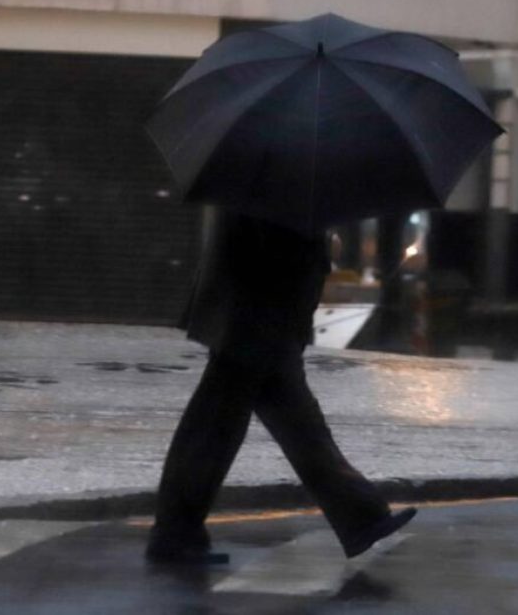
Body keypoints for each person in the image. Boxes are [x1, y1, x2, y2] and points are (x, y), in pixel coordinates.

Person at [147, 209, 416, 564]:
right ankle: (173, 535)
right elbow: (276, 251)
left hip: (257, 318)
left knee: (283, 425)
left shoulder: (274, 180)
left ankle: (361, 515)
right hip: (256, 318)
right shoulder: (276, 187)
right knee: (220, 429)